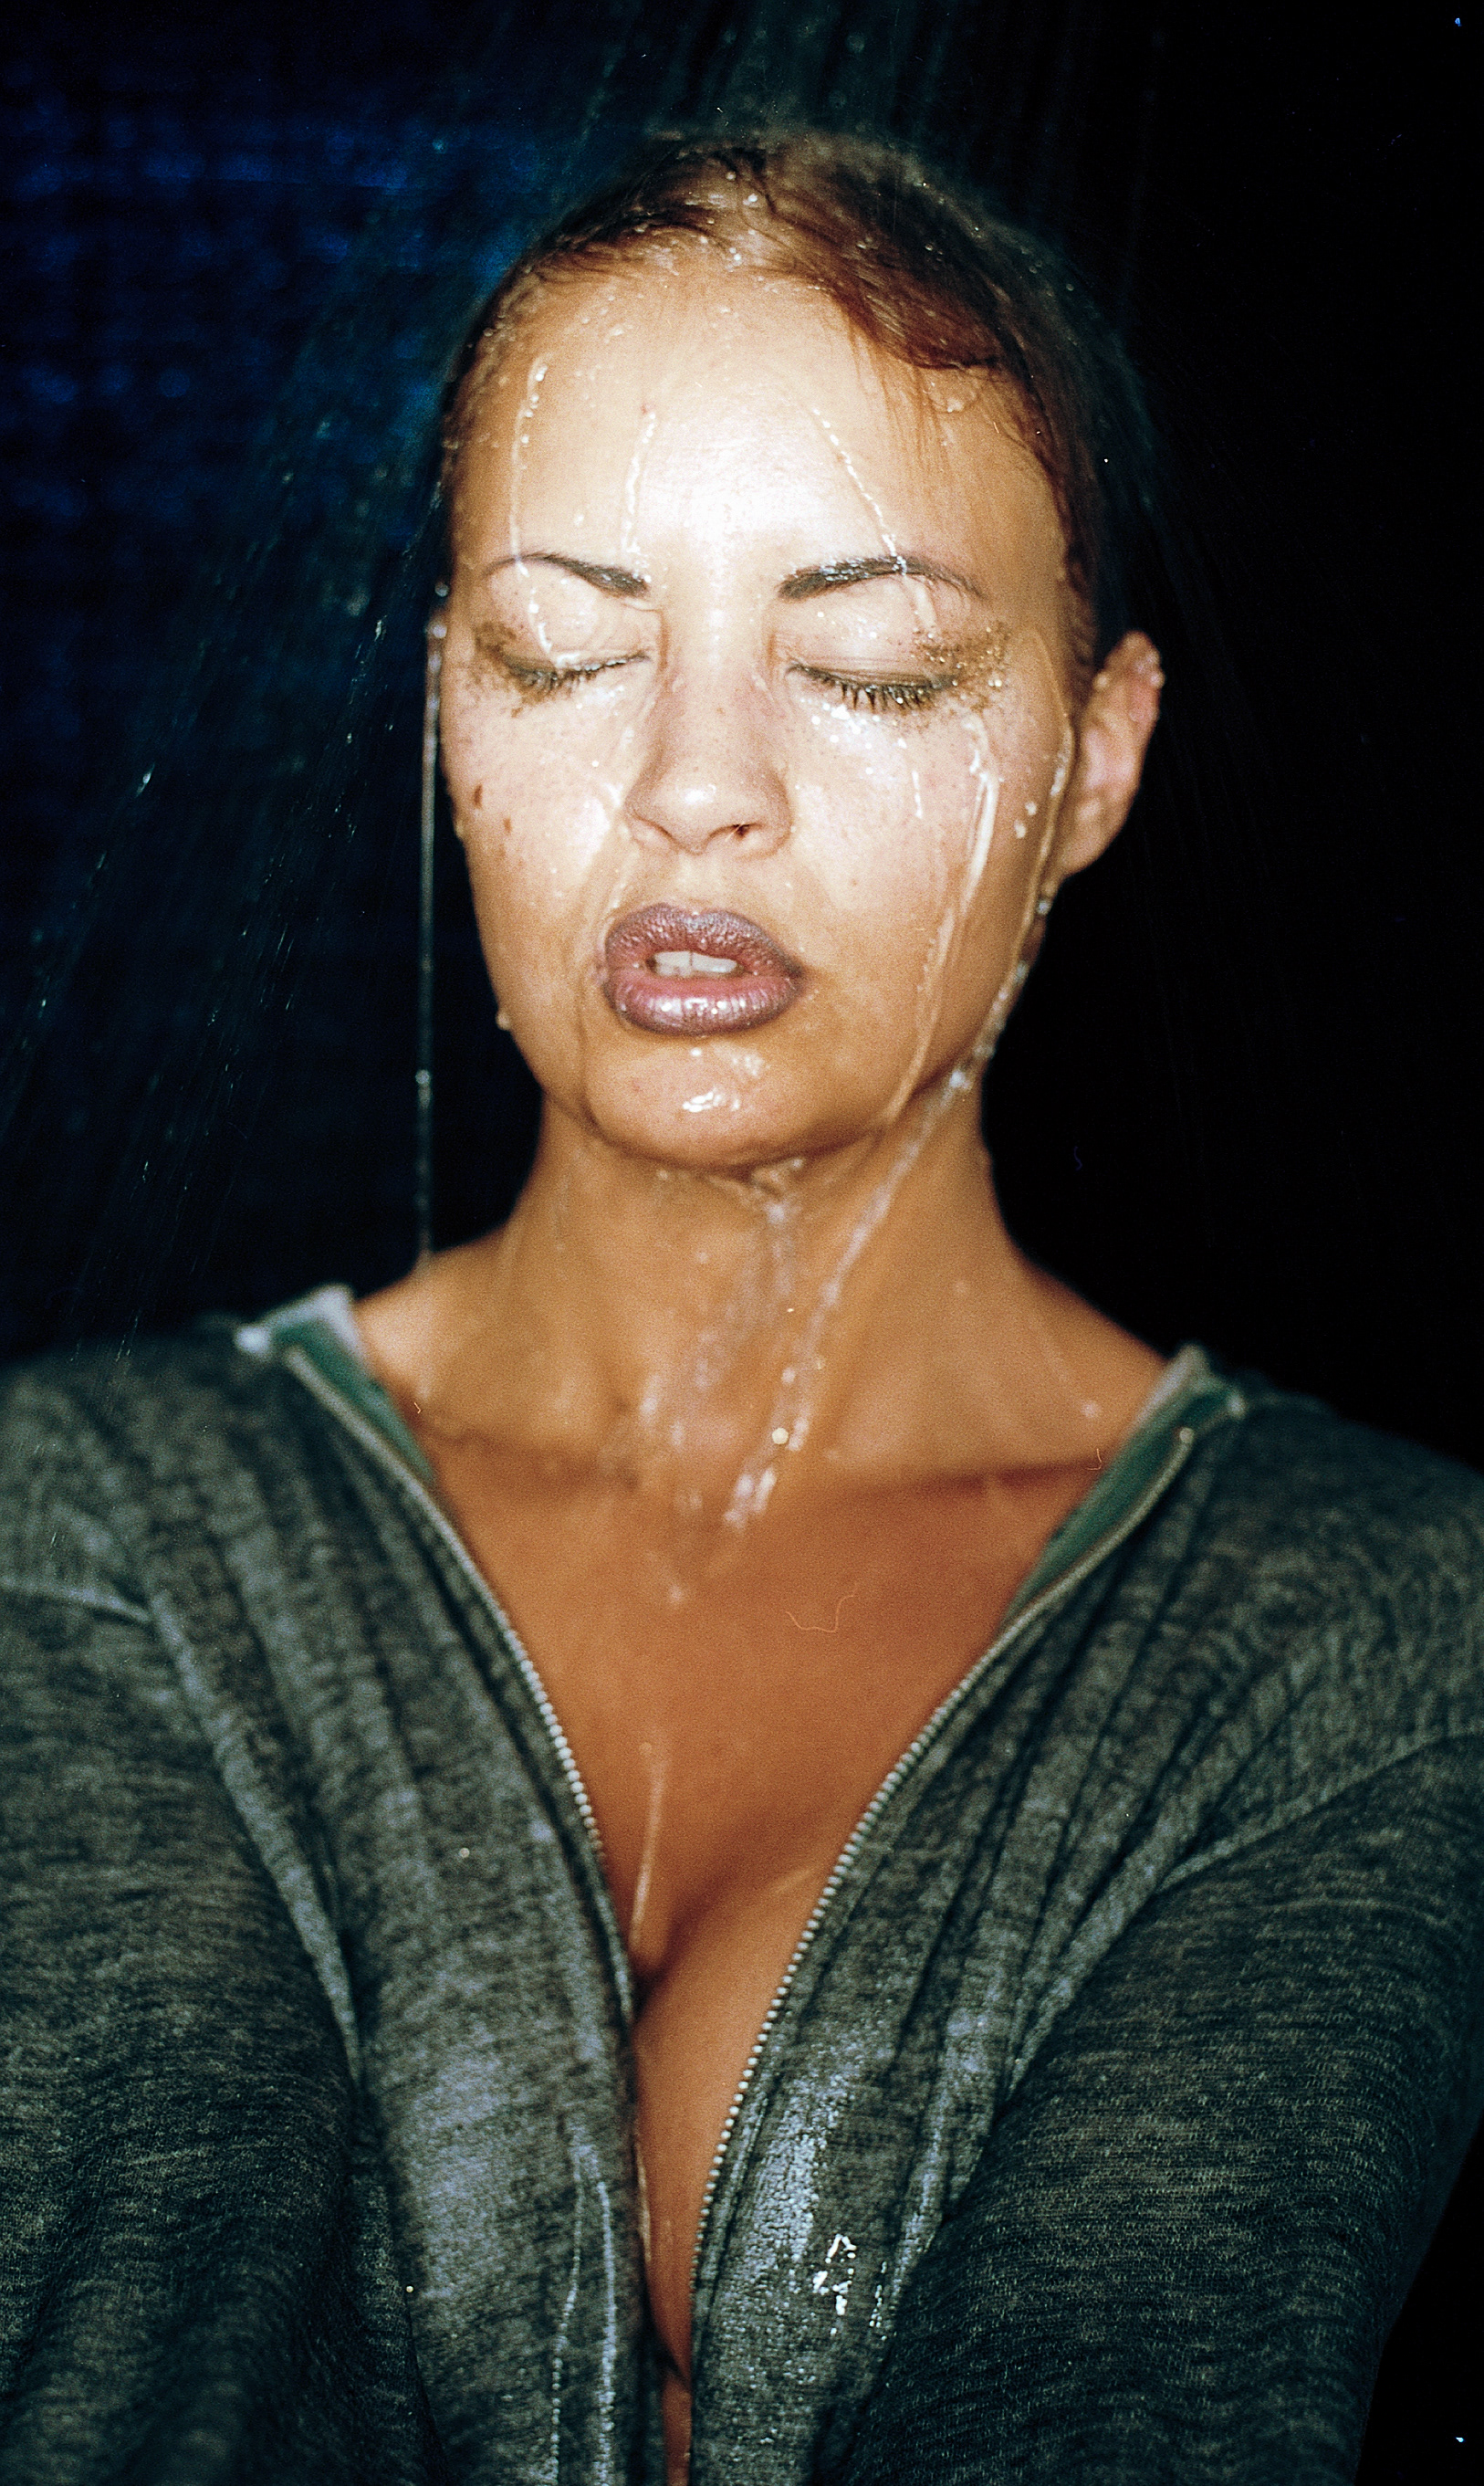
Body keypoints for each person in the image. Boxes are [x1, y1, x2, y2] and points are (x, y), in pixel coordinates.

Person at [1, 132, 1480, 2486]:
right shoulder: (56, 1541)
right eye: (564, 650)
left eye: (872, 668)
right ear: (448, 712)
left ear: (1095, 757)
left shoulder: (1394, 1645)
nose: (695, 790)